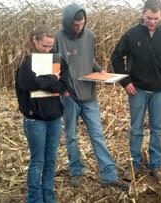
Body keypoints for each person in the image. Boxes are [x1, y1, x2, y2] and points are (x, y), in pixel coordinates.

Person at [51, 3, 129, 191]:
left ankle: (108, 175)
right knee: (71, 136)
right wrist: (63, 90)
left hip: (90, 96)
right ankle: (76, 172)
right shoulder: (57, 39)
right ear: (68, 22)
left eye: (82, 24)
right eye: (75, 25)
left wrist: (99, 69)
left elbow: (89, 58)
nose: (79, 28)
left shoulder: (90, 35)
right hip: (70, 97)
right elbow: (53, 68)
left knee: (98, 136)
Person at [111, 0, 161, 182]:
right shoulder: (132, 35)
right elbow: (116, 57)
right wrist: (125, 81)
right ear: (143, 14)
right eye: (149, 18)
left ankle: (156, 166)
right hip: (137, 90)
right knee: (136, 129)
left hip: (160, 91)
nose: (152, 22)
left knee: (157, 129)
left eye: (156, 18)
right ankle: (134, 165)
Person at [15, 25, 67, 203]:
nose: (48, 49)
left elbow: (63, 85)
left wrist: (46, 82)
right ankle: (35, 199)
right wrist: (53, 79)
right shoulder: (25, 62)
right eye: (44, 45)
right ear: (34, 40)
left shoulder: (55, 59)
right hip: (35, 119)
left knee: (50, 160)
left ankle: (49, 198)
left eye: (50, 46)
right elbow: (29, 83)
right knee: (38, 161)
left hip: (54, 117)